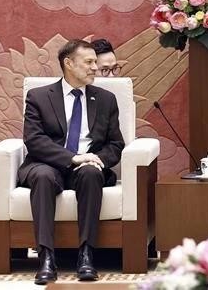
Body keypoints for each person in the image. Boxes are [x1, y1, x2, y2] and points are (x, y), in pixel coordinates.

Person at [18, 39, 125, 284]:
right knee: (43, 177)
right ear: (68, 63)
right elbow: (34, 141)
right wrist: (73, 158)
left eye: (95, 63)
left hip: (87, 166)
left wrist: (97, 159)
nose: (95, 68)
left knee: (90, 173)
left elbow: (115, 144)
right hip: (47, 163)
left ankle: (86, 256)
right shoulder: (39, 97)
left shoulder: (106, 99)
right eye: (88, 62)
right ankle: (46, 257)